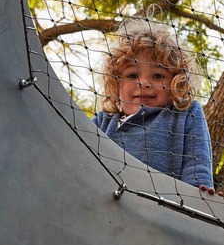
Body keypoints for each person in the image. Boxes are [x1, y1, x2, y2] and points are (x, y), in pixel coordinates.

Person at [93, 17, 216, 192]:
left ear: (176, 82)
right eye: (132, 76)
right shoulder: (102, 122)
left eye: (158, 76)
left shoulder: (184, 114)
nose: (143, 83)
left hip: (163, 207)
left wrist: (199, 197)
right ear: (116, 83)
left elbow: (197, 165)